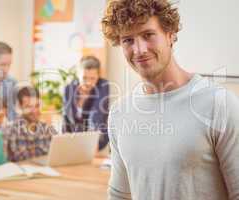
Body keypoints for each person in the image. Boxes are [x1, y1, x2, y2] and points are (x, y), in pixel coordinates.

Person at [102, 0, 239, 199]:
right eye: (128, 40)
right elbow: (119, 194)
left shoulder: (219, 104)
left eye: (148, 35)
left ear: (170, 34)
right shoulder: (119, 113)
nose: (139, 50)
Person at [62, 55, 109, 150]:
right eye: (84, 78)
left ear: (98, 77)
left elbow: (97, 115)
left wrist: (92, 142)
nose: (88, 82)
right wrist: (64, 142)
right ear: (78, 75)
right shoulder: (68, 89)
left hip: (97, 140)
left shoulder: (103, 85)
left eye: (92, 79)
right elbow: (66, 118)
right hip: (73, 141)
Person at [2, 86, 57, 162]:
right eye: (28, 107)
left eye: (37, 106)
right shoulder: (9, 131)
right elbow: (3, 164)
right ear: (20, 107)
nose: (34, 111)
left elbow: (60, 154)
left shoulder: (48, 129)